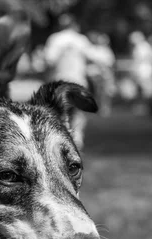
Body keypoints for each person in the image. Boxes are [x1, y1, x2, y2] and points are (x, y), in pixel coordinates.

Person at [44, 14, 106, 149]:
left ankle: (59, 142)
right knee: (77, 112)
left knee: (58, 113)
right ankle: (77, 140)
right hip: (78, 81)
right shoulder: (80, 40)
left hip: (58, 83)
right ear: (74, 24)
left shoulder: (55, 39)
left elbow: (49, 60)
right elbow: (95, 57)